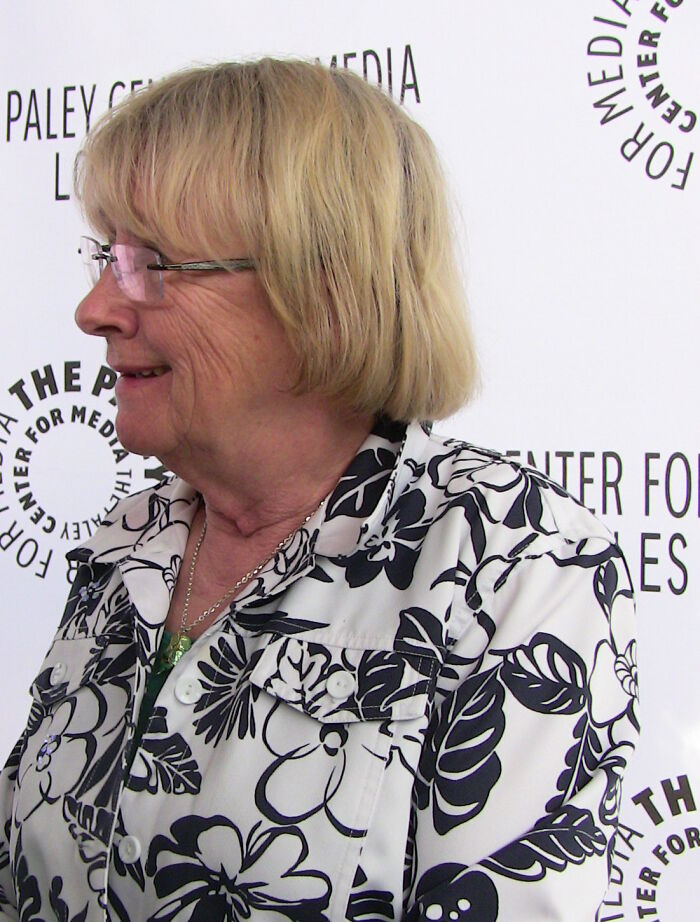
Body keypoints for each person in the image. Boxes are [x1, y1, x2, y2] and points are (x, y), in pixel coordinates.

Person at [0, 59, 638, 921]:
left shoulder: (513, 566)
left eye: (149, 262)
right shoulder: (132, 537)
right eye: (104, 257)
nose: (93, 308)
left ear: (324, 288)